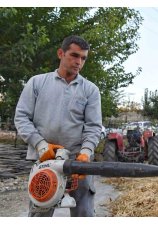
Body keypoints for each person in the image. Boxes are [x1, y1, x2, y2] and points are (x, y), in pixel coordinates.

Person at [14, 35, 102, 217]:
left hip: (78, 163)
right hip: (45, 161)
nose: (79, 62)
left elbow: (93, 127)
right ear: (60, 53)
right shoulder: (37, 83)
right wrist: (40, 144)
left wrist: (86, 152)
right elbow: (21, 117)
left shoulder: (90, 90)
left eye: (83, 58)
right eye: (74, 55)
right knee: (40, 212)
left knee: (84, 213)